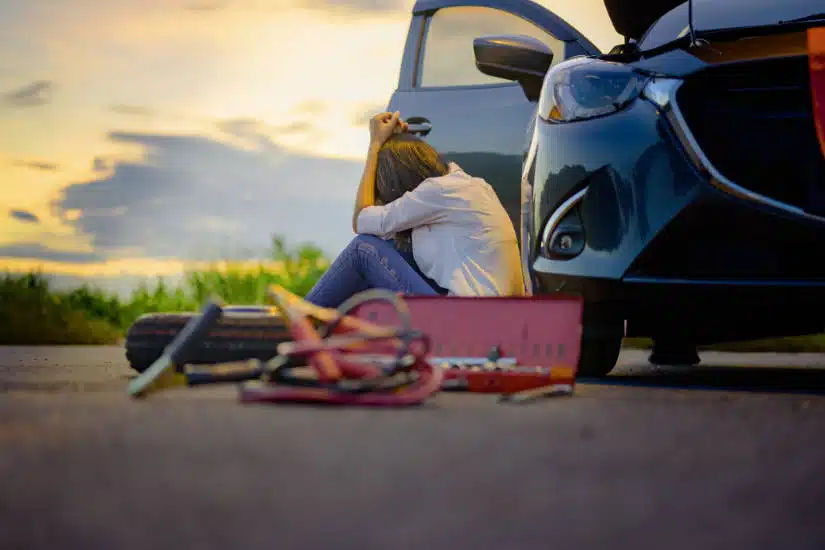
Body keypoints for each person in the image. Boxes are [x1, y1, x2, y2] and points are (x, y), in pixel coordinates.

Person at [304, 111, 525, 308]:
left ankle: (298, 325)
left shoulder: (438, 191)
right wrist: (398, 141)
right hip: (496, 312)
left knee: (364, 249)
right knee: (388, 245)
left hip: (466, 315)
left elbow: (362, 219)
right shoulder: (471, 186)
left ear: (398, 180)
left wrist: (375, 145)